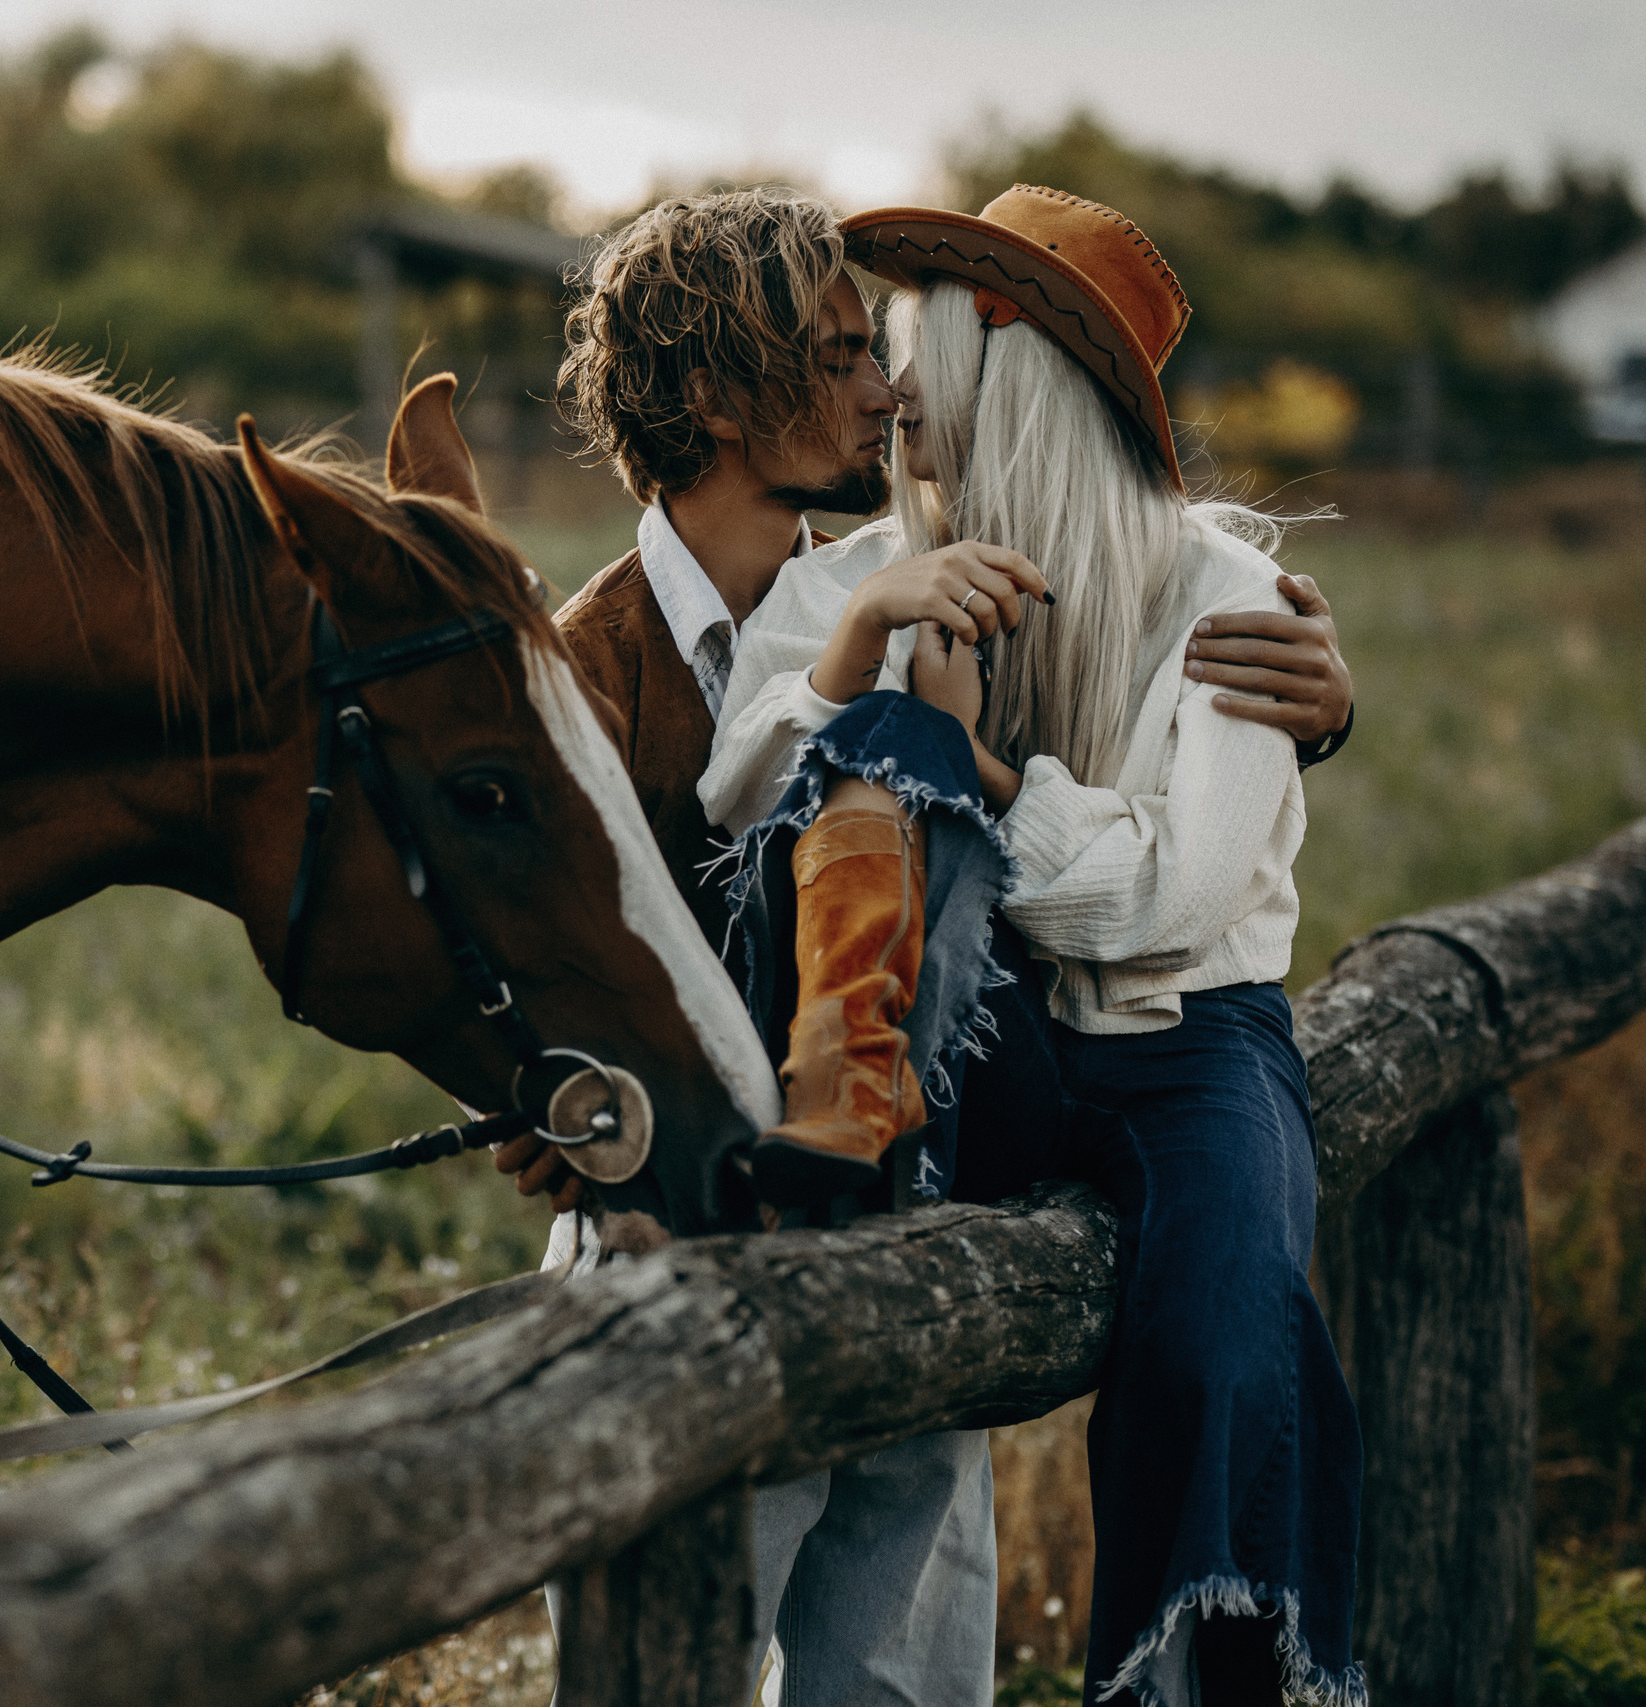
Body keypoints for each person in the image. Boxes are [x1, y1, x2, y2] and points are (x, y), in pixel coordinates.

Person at [496, 185, 1356, 1705]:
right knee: (669, 1654)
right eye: (840, 354)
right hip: (697, 1207)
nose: (886, 389)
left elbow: (1174, 847)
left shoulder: (945, 577)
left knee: (905, 1645)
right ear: (715, 398)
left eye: (883, 352)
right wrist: (559, 1101)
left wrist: (1310, 719)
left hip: (916, 1157)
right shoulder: (598, 668)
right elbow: (522, 943)